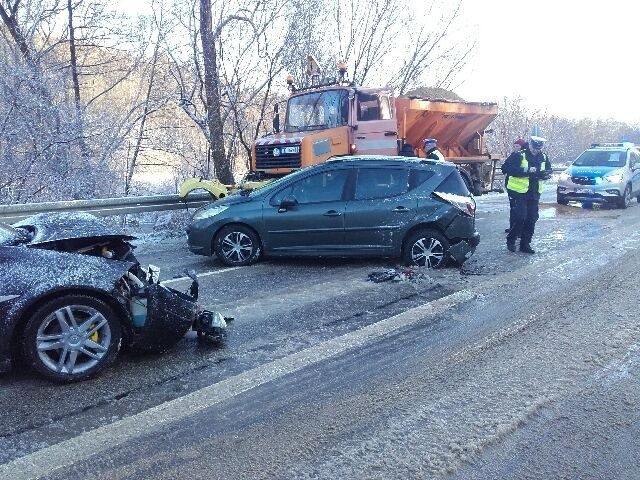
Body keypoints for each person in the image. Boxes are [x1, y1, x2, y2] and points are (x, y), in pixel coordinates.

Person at [501, 132, 551, 254]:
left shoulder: (543, 157)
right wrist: (526, 170)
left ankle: (525, 244)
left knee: (532, 219)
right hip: (519, 192)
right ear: (530, 145)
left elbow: (548, 169)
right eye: (534, 148)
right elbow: (507, 169)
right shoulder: (519, 155)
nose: (535, 151)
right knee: (520, 217)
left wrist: (546, 175)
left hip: (534, 192)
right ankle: (511, 239)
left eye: (538, 149)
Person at [503, 139, 527, 233]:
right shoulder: (513, 156)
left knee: (520, 210)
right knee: (513, 208)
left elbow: (510, 168)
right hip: (511, 186)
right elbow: (504, 167)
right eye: (515, 146)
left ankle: (519, 229)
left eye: (517, 146)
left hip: (522, 187)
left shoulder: (523, 156)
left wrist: (514, 170)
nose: (515, 148)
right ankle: (512, 227)